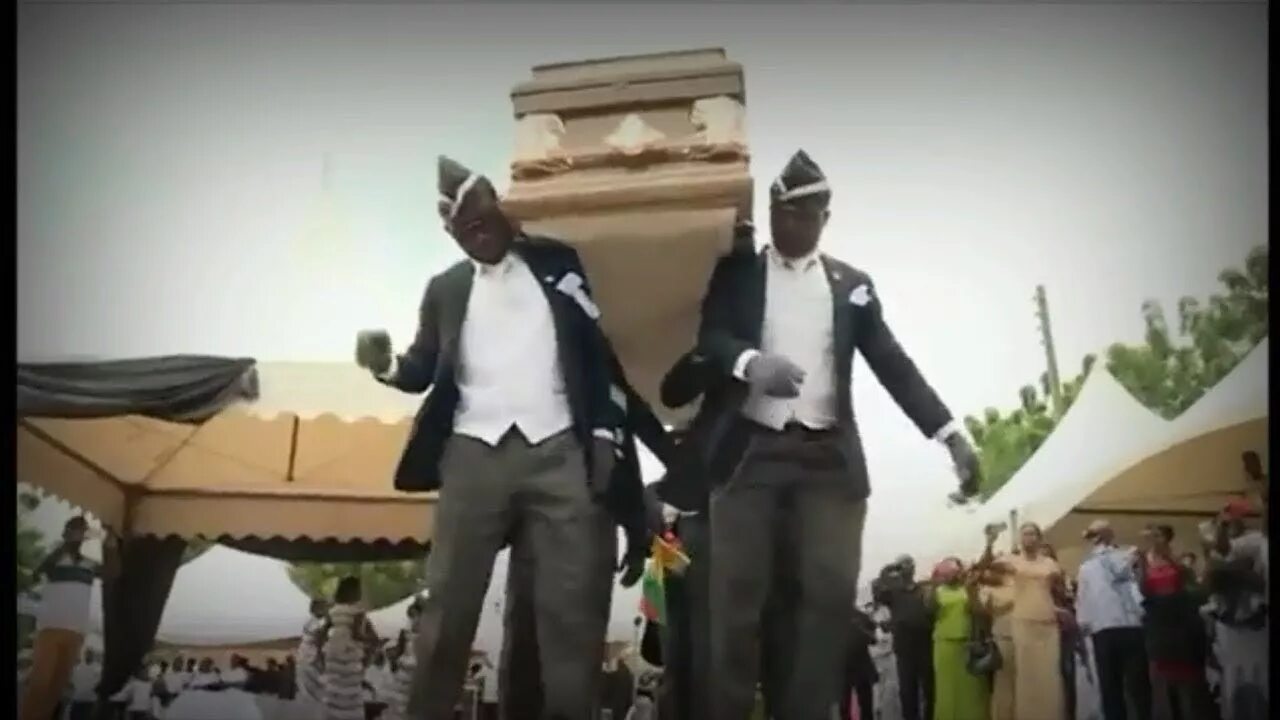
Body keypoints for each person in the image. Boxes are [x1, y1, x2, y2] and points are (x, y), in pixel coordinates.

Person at [693, 149, 981, 720]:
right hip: (751, 452)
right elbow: (711, 337)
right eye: (780, 213)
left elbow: (894, 365)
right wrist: (750, 363)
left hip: (827, 459)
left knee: (826, 599)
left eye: (803, 215)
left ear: (825, 217)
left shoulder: (853, 285)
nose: (789, 225)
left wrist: (950, 435)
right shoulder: (738, 270)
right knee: (736, 602)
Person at [355, 156, 625, 720]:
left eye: (484, 220)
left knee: (569, 614)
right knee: (448, 607)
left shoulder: (556, 261)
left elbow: (595, 355)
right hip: (473, 454)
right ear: (451, 234)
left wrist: (604, 436)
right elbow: (422, 367)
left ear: (502, 210)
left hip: (558, 451)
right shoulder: (445, 290)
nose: (478, 235)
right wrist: (383, 368)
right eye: (464, 230)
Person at [22, 517, 120, 720]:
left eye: (81, 530)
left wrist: (109, 543)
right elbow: (42, 570)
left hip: (76, 632)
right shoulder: (56, 558)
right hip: (51, 628)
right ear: (65, 533)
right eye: (74, 529)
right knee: (39, 685)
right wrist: (67, 543)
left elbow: (113, 572)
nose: (78, 533)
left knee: (56, 689)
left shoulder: (88, 564)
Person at [974, 523, 1066, 720]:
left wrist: (1060, 606)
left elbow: (1060, 590)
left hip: (1048, 623)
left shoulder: (1049, 562)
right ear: (1020, 539)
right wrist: (990, 543)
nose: (1029, 538)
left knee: (1049, 677)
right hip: (1023, 622)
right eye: (1025, 534)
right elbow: (984, 566)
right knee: (1027, 677)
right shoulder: (1012, 561)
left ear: (1039, 537)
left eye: (1033, 534)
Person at [1134, 524, 1214, 720]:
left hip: (1181, 630)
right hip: (1158, 629)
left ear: (1167, 538)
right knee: (1164, 688)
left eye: (1159, 535)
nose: (1154, 539)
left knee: (1187, 688)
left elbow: (1194, 591)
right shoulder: (1142, 562)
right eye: (1152, 535)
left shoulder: (1179, 563)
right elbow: (1141, 591)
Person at [1075, 519, 1151, 720]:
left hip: (1130, 624)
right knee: (1110, 685)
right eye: (1092, 536)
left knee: (1138, 684)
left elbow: (1135, 578)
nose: (1095, 540)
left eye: (1098, 535)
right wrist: (1084, 625)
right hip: (1103, 627)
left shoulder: (1126, 555)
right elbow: (1083, 597)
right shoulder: (1086, 567)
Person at [1202, 498, 1268, 720]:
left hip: (1254, 628)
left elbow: (1253, 579)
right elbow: (1216, 569)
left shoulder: (1256, 541)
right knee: (1233, 681)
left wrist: (1229, 570)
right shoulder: (1221, 542)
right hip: (1230, 627)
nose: (1230, 522)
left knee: (1257, 680)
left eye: (1233, 518)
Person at [874, 556, 935, 720]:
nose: (907, 569)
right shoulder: (892, 594)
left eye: (909, 565)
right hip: (904, 647)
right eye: (903, 566)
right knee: (908, 691)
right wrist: (889, 568)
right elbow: (877, 589)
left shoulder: (923, 589)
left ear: (914, 569)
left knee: (930, 689)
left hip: (925, 644)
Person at [928, 557, 990, 720]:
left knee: (972, 688)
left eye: (953, 571)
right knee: (947, 688)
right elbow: (929, 610)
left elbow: (978, 612)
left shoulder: (969, 589)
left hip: (968, 645)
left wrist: (971, 589)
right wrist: (933, 584)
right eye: (945, 572)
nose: (950, 575)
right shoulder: (937, 591)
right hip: (945, 646)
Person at [320, 577, 377, 720]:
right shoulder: (358, 611)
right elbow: (357, 634)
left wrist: (324, 649)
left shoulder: (333, 610)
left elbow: (321, 633)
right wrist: (372, 640)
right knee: (351, 690)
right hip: (349, 653)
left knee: (335, 686)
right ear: (355, 592)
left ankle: (333, 714)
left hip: (333, 652)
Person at [841, 606, 879, 720]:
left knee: (865, 706)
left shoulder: (860, 616)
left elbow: (873, 639)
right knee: (845, 708)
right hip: (843, 667)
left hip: (860, 666)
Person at [297, 599, 329, 704]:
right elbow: (319, 640)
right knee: (313, 676)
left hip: (308, 652)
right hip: (311, 652)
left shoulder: (313, 621)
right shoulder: (318, 623)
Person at [67, 649, 101, 720]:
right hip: (80, 699)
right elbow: (71, 683)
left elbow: (71, 684)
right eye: (88, 654)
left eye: (90, 654)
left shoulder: (98, 669)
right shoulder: (78, 668)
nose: (89, 656)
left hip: (87, 701)